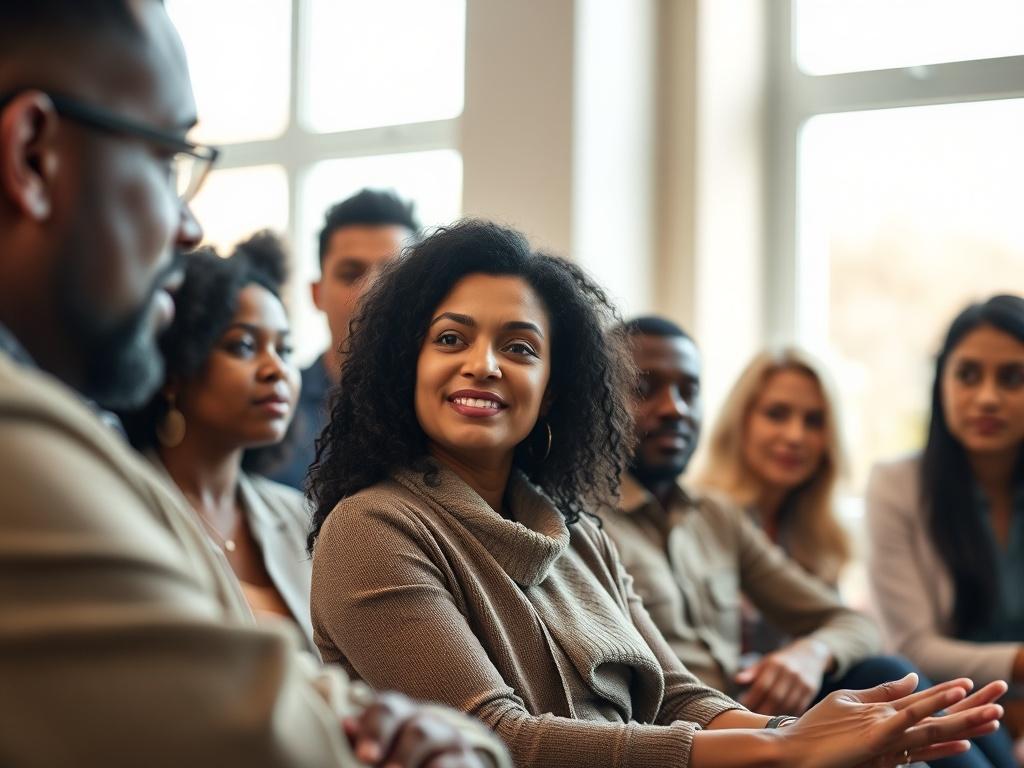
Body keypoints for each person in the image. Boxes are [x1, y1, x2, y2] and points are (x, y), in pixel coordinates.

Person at [0, 2, 507, 765]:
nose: (188, 226)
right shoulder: (23, 439)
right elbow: (258, 738)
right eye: (169, 159)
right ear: (33, 155)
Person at [308, 220, 1005, 768]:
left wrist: (813, 732)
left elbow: (677, 695)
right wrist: (783, 748)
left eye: (519, 348)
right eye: (451, 338)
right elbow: (500, 743)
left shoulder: (575, 531)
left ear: (554, 388)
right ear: (408, 364)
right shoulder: (373, 528)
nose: (484, 365)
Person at [601, 316, 1016, 767]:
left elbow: (854, 626)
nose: (674, 408)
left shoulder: (715, 519)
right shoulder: (587, 526)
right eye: (646, 387)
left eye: (689, 391)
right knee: (894, 680)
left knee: (909, 684)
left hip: (762, 718)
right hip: (715, 734)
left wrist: (810, 653)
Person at [120, 233, 318, 650]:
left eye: (284, 349)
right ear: (175, 370)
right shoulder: (123, 507)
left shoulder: (299, 517)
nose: (276, 369)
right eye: (243, 346)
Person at [867, 295, 1024, 760]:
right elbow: (913, 646)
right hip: (949, 698)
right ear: (941, 383)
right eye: (968, 375)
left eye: (1012, 377)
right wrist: (1018, 663)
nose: (987, 397)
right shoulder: (896, 485)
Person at [268, 188, 419, 489]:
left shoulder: (443, 411)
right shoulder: (275, 406)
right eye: (351, 274)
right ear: (316, 293)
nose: (372, 291)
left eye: (394, 276)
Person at [695, 346, 850, 587]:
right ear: (740, 421)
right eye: (777, 414)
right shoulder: (698, 520)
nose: (795, 436)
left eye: (814, 421)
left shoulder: (822, 540)